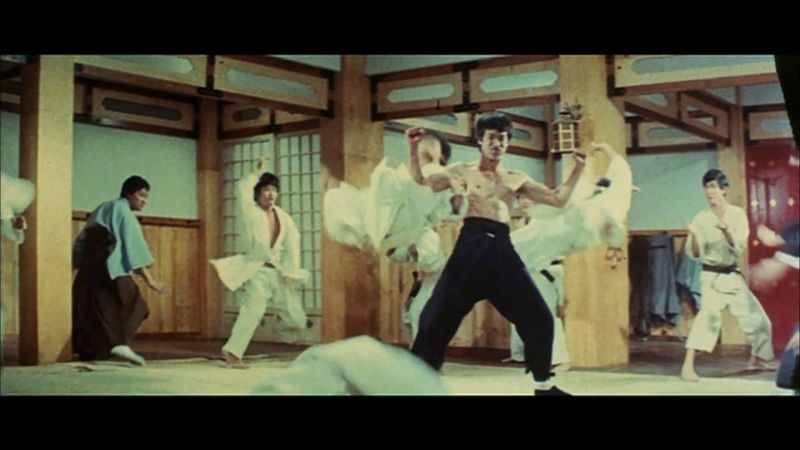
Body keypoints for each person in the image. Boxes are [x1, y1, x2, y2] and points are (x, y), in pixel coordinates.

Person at [407, 111, 590, 395]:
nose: (497, 144)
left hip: (502, 249)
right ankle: (415, 384)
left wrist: (578, 168)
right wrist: (412, 148)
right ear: (480, 141)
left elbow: (558, 199)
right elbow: (422, 183)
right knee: (435, 316)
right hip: (472, 244)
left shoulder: (516, 178)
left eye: (503, 139)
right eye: (491, 138)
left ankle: (543, 385)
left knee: (540, 316)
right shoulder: (462, 171)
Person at [210, 161, 309, 368]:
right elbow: (242, 189)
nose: (271, 194)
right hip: (256, 269)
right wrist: (255, 173)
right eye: (266, 190)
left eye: (274, 190)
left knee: (296, 318)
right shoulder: (249, 211)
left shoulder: (284, 217)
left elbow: (293, 245)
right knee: (252, 311)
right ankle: (233, 353)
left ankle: (280, 329)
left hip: (278, 271)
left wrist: (291, 271)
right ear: (257, 193)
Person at [680, 169, 776, 382]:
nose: (709, 191)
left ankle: (756, 359)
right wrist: (693, 237)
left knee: (760, 321)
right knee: (707, 319)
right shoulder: (701, 219)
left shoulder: (737, 214)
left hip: (731, 276)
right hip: (711, 278)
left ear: (724, 189)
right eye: (706, 187)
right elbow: (694, 253)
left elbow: (739, 246)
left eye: (713, 186)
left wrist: (726, 231)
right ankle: (687, 367)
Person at [72, 175, 165, 366]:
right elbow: (134, 247)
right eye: (141, 196)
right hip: (108, 266)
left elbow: (82, 239)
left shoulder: (102, 208)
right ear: (129, 194)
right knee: (136, 305)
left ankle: (96, 352)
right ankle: (120, 344)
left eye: (146, 197)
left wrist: (76, 265)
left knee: (96, 309)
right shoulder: (124, 212)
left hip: (89, 268)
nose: (144, 201)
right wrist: (150, 280)